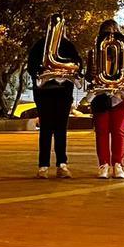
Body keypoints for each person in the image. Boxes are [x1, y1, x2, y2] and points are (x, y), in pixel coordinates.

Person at [27, 31, 78, 179]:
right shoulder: (40, 45)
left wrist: (64, 69)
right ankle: (43, 166)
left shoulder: (68, 46)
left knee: (61, 129)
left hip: (63, 92)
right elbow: (31, 67)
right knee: (46, 129)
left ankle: (62, 164)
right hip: (44, 93)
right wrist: (45, 71)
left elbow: (77, 65)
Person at [90, 19, 124, 180]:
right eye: (106, 33)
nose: (110, 37)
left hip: (119, 97)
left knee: (119, 132)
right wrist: (92, 73)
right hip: (100, 97)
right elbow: (88, 76)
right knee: (101, 132)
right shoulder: (94, 53)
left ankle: (118, 164)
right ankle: (103, 164)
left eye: (113, 33)